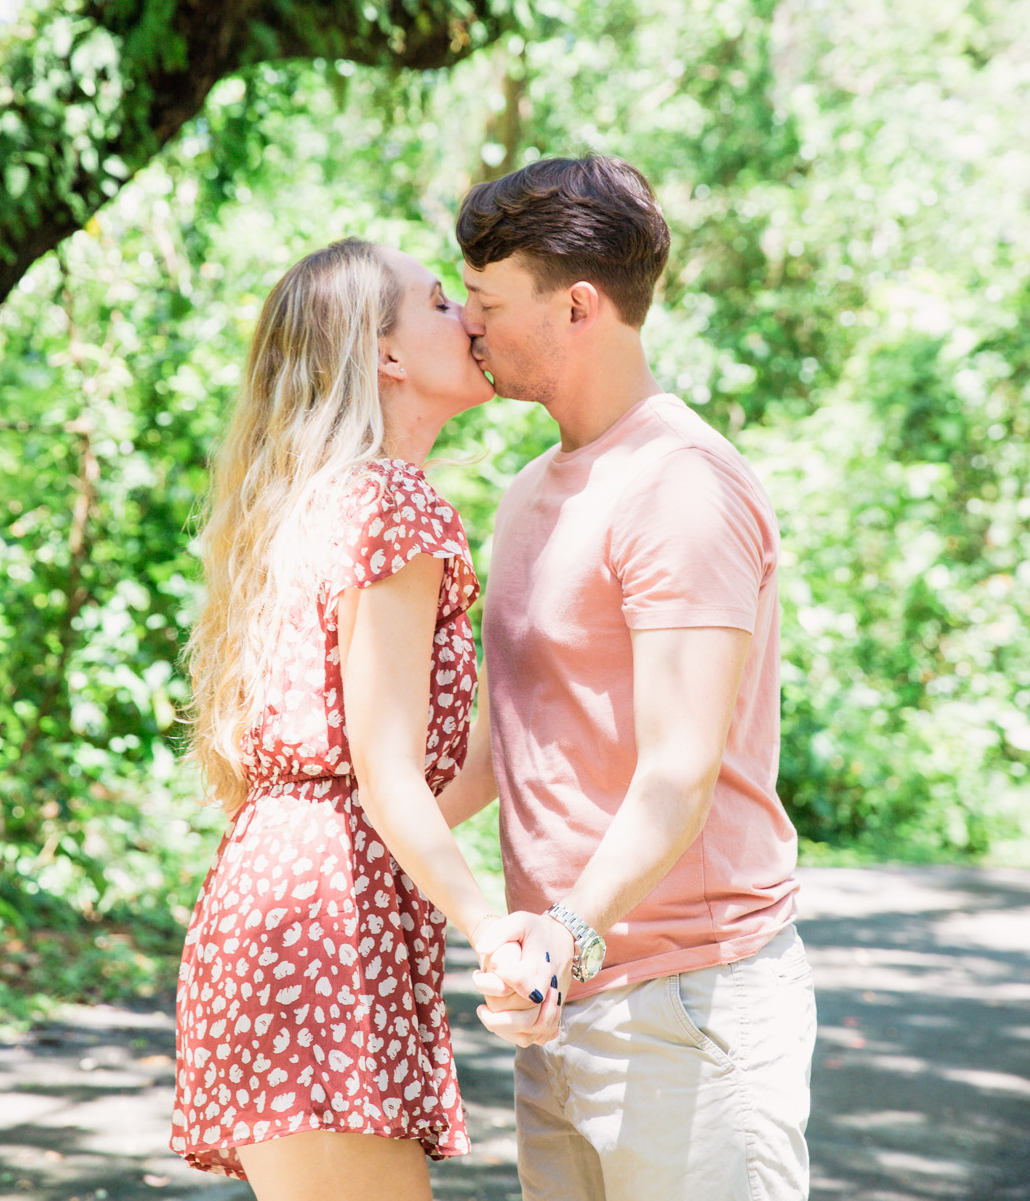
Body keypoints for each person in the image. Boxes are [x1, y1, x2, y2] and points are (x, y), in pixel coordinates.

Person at [438, 156, 818, 1201]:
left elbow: (677, 772)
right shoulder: (529, 491)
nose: (467, 326)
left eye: (486, 303)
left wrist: (567, 936)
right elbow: (500, 742)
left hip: (687, 1004)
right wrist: (341, 841)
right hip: (562, 997)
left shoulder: (679, 485)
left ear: (576, 306)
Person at [169, 238, 555, 1200]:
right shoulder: (392, 503)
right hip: (326, 924)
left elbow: (424, 780)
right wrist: (490, 929)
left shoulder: (318, 501)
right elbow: (385, 778)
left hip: (283, 899)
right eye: (440, 303)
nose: (469, 318)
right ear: (385, 354)